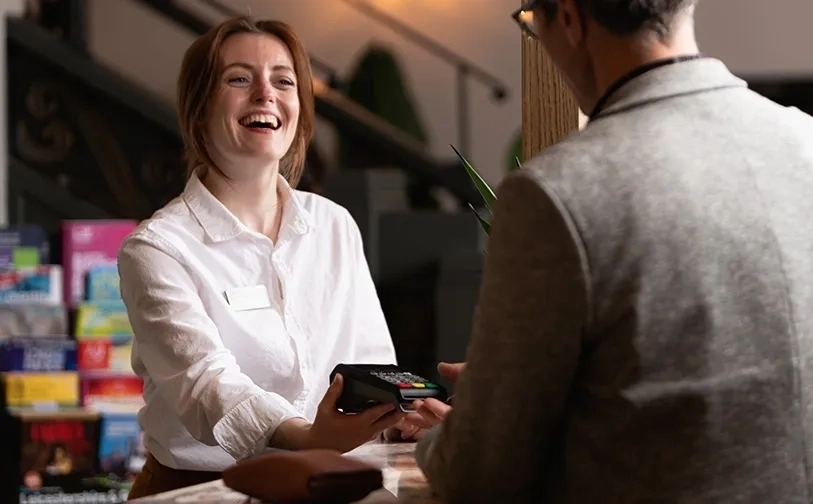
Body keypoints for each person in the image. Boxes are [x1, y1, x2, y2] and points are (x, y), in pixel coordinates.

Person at [412, 0, 813, 502]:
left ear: (573, 20)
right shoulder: (805, 141)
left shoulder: (555, 191)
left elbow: (477, 475)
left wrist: (471, 419)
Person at [117, 16, 409, 499]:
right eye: (238, 78)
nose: (265, 93)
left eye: (283, 80)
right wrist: (306, 437)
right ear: (197, 109)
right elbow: (205, 383)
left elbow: (371, 365)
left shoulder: (334, 224)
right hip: (202, 491)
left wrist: (395, 418)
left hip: (331, 484)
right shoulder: (156, 248)